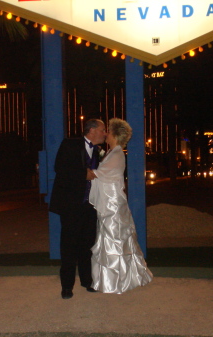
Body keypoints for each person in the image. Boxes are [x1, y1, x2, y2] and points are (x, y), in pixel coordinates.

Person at [88, 118, 153, 294]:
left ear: (115, 134)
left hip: (112, 206)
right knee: (111, 239)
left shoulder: (116, 154)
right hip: (109, 204)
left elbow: (96, 174)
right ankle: (111, 279)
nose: (106, 133)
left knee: (113, 240)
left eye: (108, 131)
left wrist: (75, 168)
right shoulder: (113, 153)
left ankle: (117, 281)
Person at [49, 119, 107, 299]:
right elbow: (60, 168)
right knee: (69, 246)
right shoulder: (70, 144)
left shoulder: (98, 151)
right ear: (92, 130)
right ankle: (66, 286)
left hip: (89, 206)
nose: (105, 133)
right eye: (103, 130)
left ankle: (87, 281)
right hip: (71, 205)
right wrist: (83, 174)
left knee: (87, 245)